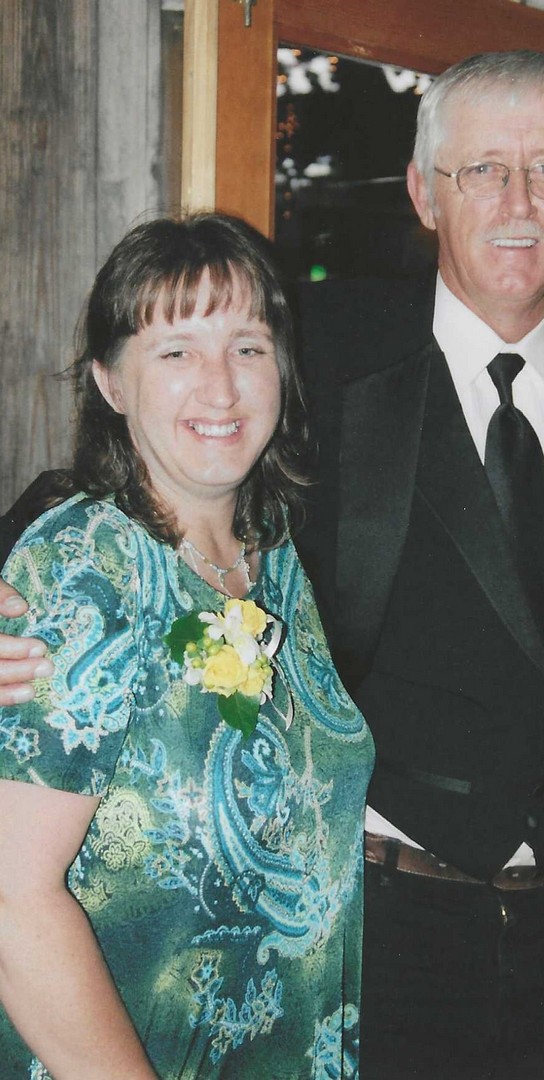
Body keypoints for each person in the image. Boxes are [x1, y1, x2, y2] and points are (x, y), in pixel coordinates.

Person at [3, 49, 544, 1080]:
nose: (517, 202)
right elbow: (144, 469)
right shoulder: (317, 351)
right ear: (423, 191)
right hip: (373, 930)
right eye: (482, 169)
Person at [0, 213, 373, 1079]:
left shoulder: (276, 552)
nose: (221, 386)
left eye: (247, 347)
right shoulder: (86, 569)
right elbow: (11, 897)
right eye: (176, 351)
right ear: (110, 382)